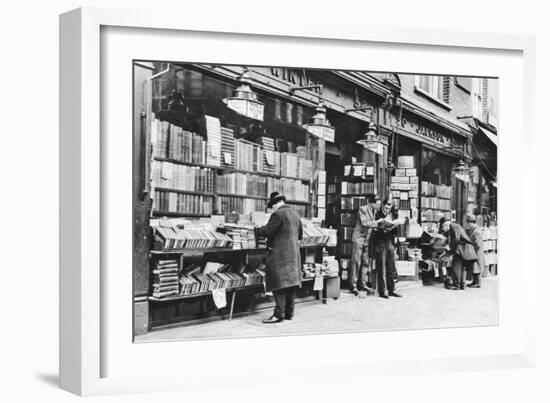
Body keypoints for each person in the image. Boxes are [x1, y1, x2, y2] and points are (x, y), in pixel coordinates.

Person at [257, 192, 303, 323]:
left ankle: (278, 315)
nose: (272, 209)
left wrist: (257, 230)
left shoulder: (278, 214)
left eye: (272, 206)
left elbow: (267, 231)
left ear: (276, 204)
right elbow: (300, 236)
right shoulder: (295, 214)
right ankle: (289, 313)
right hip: (293, 256)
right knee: (290, 284)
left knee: (279, 284)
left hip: (280, 256)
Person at [348, 195, 380, 296]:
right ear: (372, 203)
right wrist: (377, 223)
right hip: (358, 239)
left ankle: (363, 284)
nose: (379, 206)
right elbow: (365, 223)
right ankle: (353, 285)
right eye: (377, 204)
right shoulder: (363, 209)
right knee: (356, 262)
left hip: (366, 240)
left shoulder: (374, 212)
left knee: (365, 263)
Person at [373, 198, 403, 298]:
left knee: (391, 266)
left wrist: (393, 226)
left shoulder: (392, 214)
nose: (387, 210)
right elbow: (375, 228)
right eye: (386, 207)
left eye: (389, 208)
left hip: (389, 241)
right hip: (380, 242)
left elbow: (395, 230)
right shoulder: (378, 214)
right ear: (383, 205)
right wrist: (382, 228)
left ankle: (392, 289)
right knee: (381, 266)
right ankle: (382, 290)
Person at [440, 219, 478, 290]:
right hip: (464, 249)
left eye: (443, 228)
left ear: (446, 225)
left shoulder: (453, 226)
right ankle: (462, 285)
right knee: (462, 268)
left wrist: (449, 248)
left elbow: (456, 239)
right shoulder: (456, 226)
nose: (443, 230)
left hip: (460, 250)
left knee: (456, 267)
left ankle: (456, 285)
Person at [465, 213, 485, 288]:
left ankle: (478, 283)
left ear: (472, 223)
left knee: (477, 268)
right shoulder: (473, 230)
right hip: (475, 253)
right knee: (474, 268)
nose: (468, 225)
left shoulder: (476, 232)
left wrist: (471, 250)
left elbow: (477, 244)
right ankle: (474, 282)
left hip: (476, 253)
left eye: (468, 223)